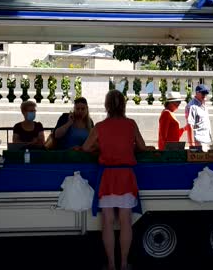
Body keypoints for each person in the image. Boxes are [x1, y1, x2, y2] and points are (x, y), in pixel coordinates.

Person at [82, 90, 148, 270]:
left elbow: (86, 148)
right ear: (124, 105)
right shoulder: (131, 124)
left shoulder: (100, 127)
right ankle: (124, 263)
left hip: (108, 177)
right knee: (126, 221)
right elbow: (142, 147)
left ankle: (111, 265)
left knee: (108, 221)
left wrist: (100, 146)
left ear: (107, 106)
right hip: (126, 176)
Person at [185, 84, 212, 151]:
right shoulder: (192, 106)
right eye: (203, 93)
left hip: (206, 139)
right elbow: (189, 125)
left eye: (206, 93)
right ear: (197, 93)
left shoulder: (203, 104)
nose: (205, 95)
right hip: (198, 141)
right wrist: (192, 144)